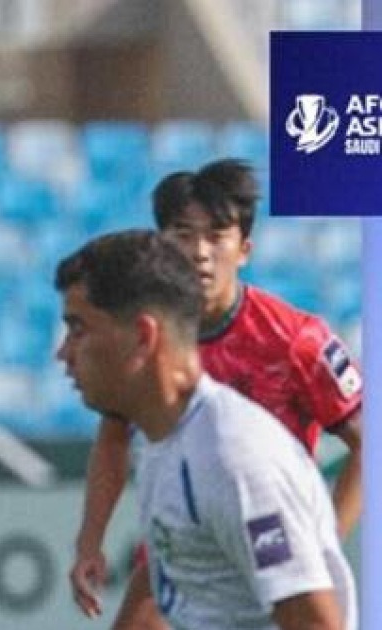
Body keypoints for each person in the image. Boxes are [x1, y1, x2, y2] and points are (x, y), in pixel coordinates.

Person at [68, 160, 363, 628]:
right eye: (183, 233)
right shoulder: (146, 337)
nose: (200, 252)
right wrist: (90, 539)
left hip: (263, 542)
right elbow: (114, 434)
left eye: (216, 235)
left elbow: (368, 440)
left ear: (243, 249)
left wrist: (323, 533)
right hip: (178, 547)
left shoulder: (296, 340)